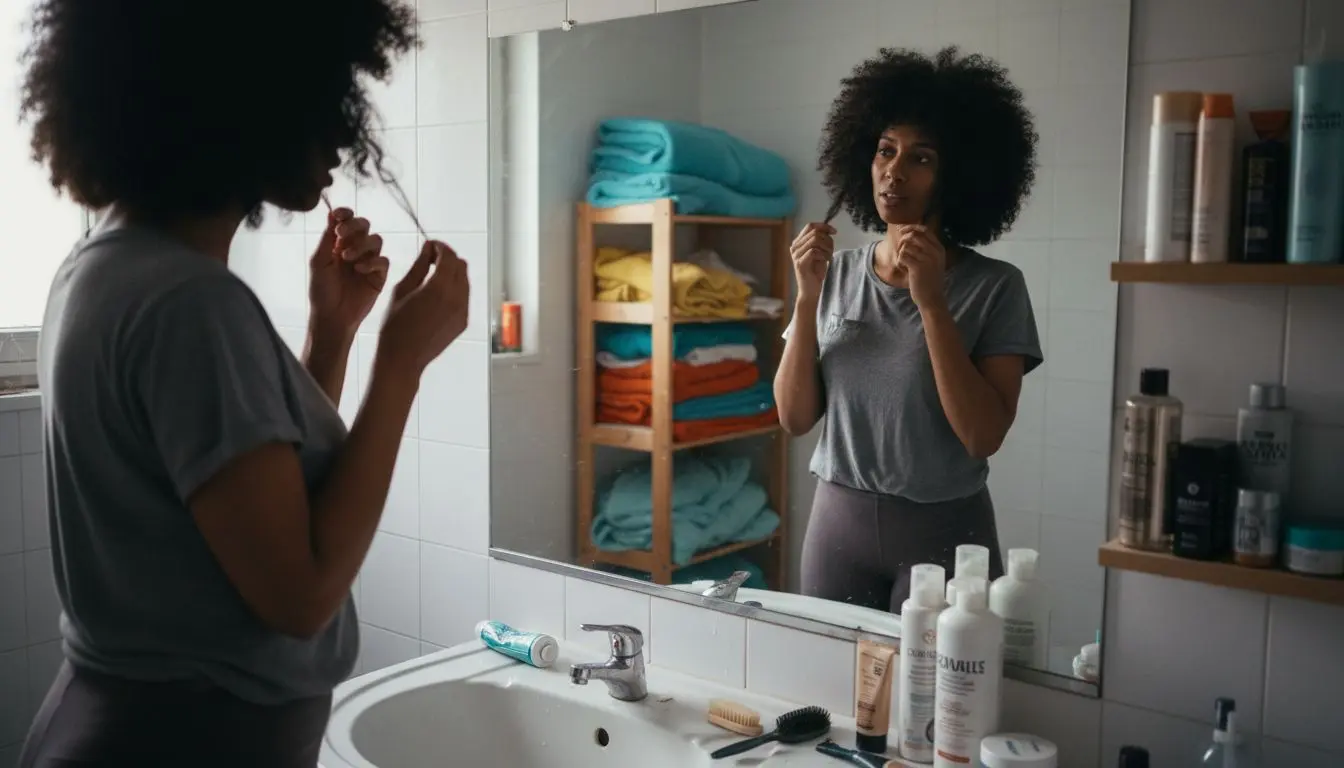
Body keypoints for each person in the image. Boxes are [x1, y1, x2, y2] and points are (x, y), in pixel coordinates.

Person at [16, 2, 468, 765]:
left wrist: (333, 334)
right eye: (321, 102)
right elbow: (299, 595)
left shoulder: (107, 267)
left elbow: (259, 505)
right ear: (238, 102)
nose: (342, 138)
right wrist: (400, 366)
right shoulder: (191, 304)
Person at [773, 47, 1043, 614]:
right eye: (885, 150)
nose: (894, 171)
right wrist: (805, 298)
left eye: (920, 158)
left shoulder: (996, 287)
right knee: (830, 696)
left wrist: (933, 307)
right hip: (836, 527)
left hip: (944, 534)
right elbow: (795, 418)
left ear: (958, 175)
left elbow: (983, 435)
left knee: (940, 702)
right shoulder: (836, 272)